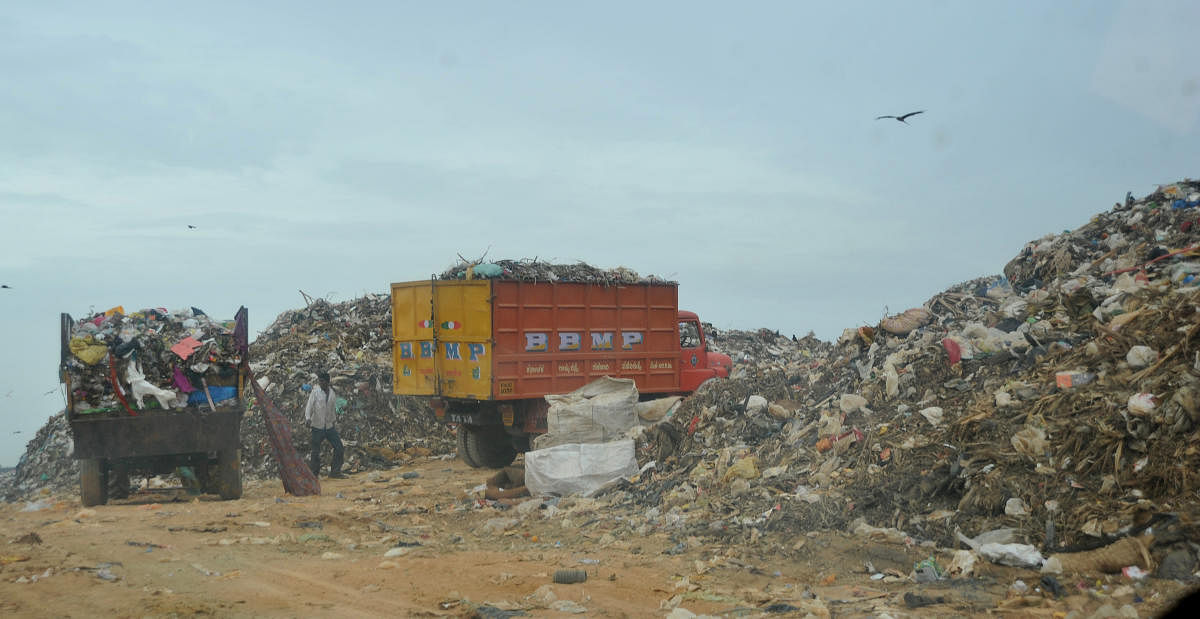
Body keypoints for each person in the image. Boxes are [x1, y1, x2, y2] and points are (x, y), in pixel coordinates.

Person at [304, 371, 345, 478]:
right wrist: (308, 418)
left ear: (327, 382)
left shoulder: (332, 393)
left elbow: (332, 410)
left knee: (339, 447)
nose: (320, 383)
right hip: (317, 426)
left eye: (322, 381)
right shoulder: (315, 392)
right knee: (315, 452)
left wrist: (334, 422)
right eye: (319, 381)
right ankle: (314, 475)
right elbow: (309, 406)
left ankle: (335, 472)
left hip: (329, 426)